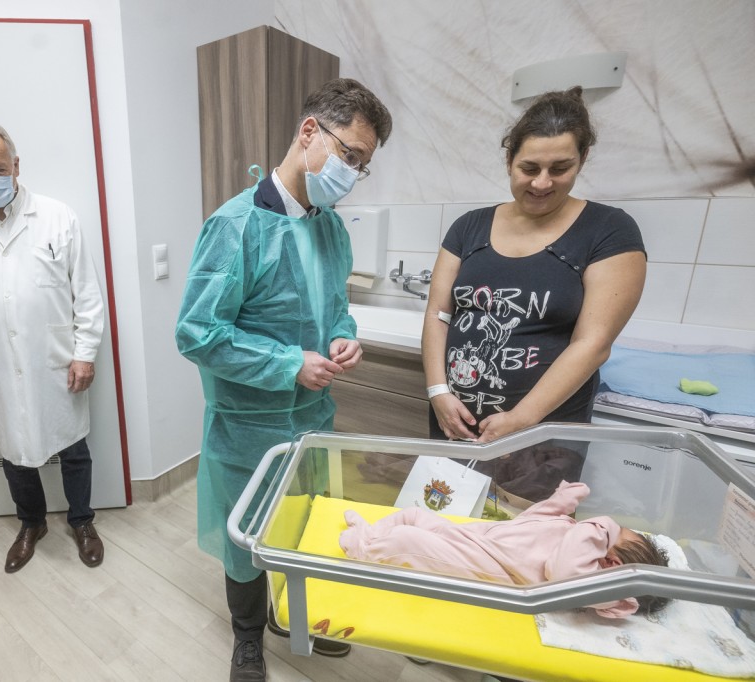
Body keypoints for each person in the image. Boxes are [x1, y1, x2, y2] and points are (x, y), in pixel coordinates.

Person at [176, 78, 392, 682]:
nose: (352, 173)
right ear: (309, 132)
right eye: (349, 155)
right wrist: (288, 363)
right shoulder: (236, 226)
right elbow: (197, 333)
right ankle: (248, 638)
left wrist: (344, 336)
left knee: (301, 521)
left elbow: (335, 308)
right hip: (248, 426)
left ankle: (289, 615)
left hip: (312, 419)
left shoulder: (330, 228)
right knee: (246, 538)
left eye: (362, 165)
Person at [421, 86, 647, 502]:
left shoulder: (608, 230)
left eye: (560, 168)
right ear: (509, 159)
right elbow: (439, 314)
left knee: (524, 532)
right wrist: (438, 393)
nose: (542, 182)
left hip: (542, 433)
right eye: (529, 168)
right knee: (445, 523)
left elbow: (593, 343)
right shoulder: (469, 227)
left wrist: (523, 419)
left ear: (582, 160)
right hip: (456, 422)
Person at [0, 120, 105, 573]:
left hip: (57, 359)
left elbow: (87, 294)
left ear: (16, 164)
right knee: (13, 449)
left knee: (73, 446)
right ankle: (32, 522)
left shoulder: (57, 216)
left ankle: (82, 520)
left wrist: (85, 353)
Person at [340, 480, 670, 618]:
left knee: (408, 541)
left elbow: (562, 571)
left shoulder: (593, 581)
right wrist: (557, 505)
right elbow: (528, 524)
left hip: (486, 565)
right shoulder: (577, 538)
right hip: (481, 539)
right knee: (415, 516)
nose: (603, 528)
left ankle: (364, 550)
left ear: (612, 562)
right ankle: (371, 534)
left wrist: (601, 525)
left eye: (612, 534)